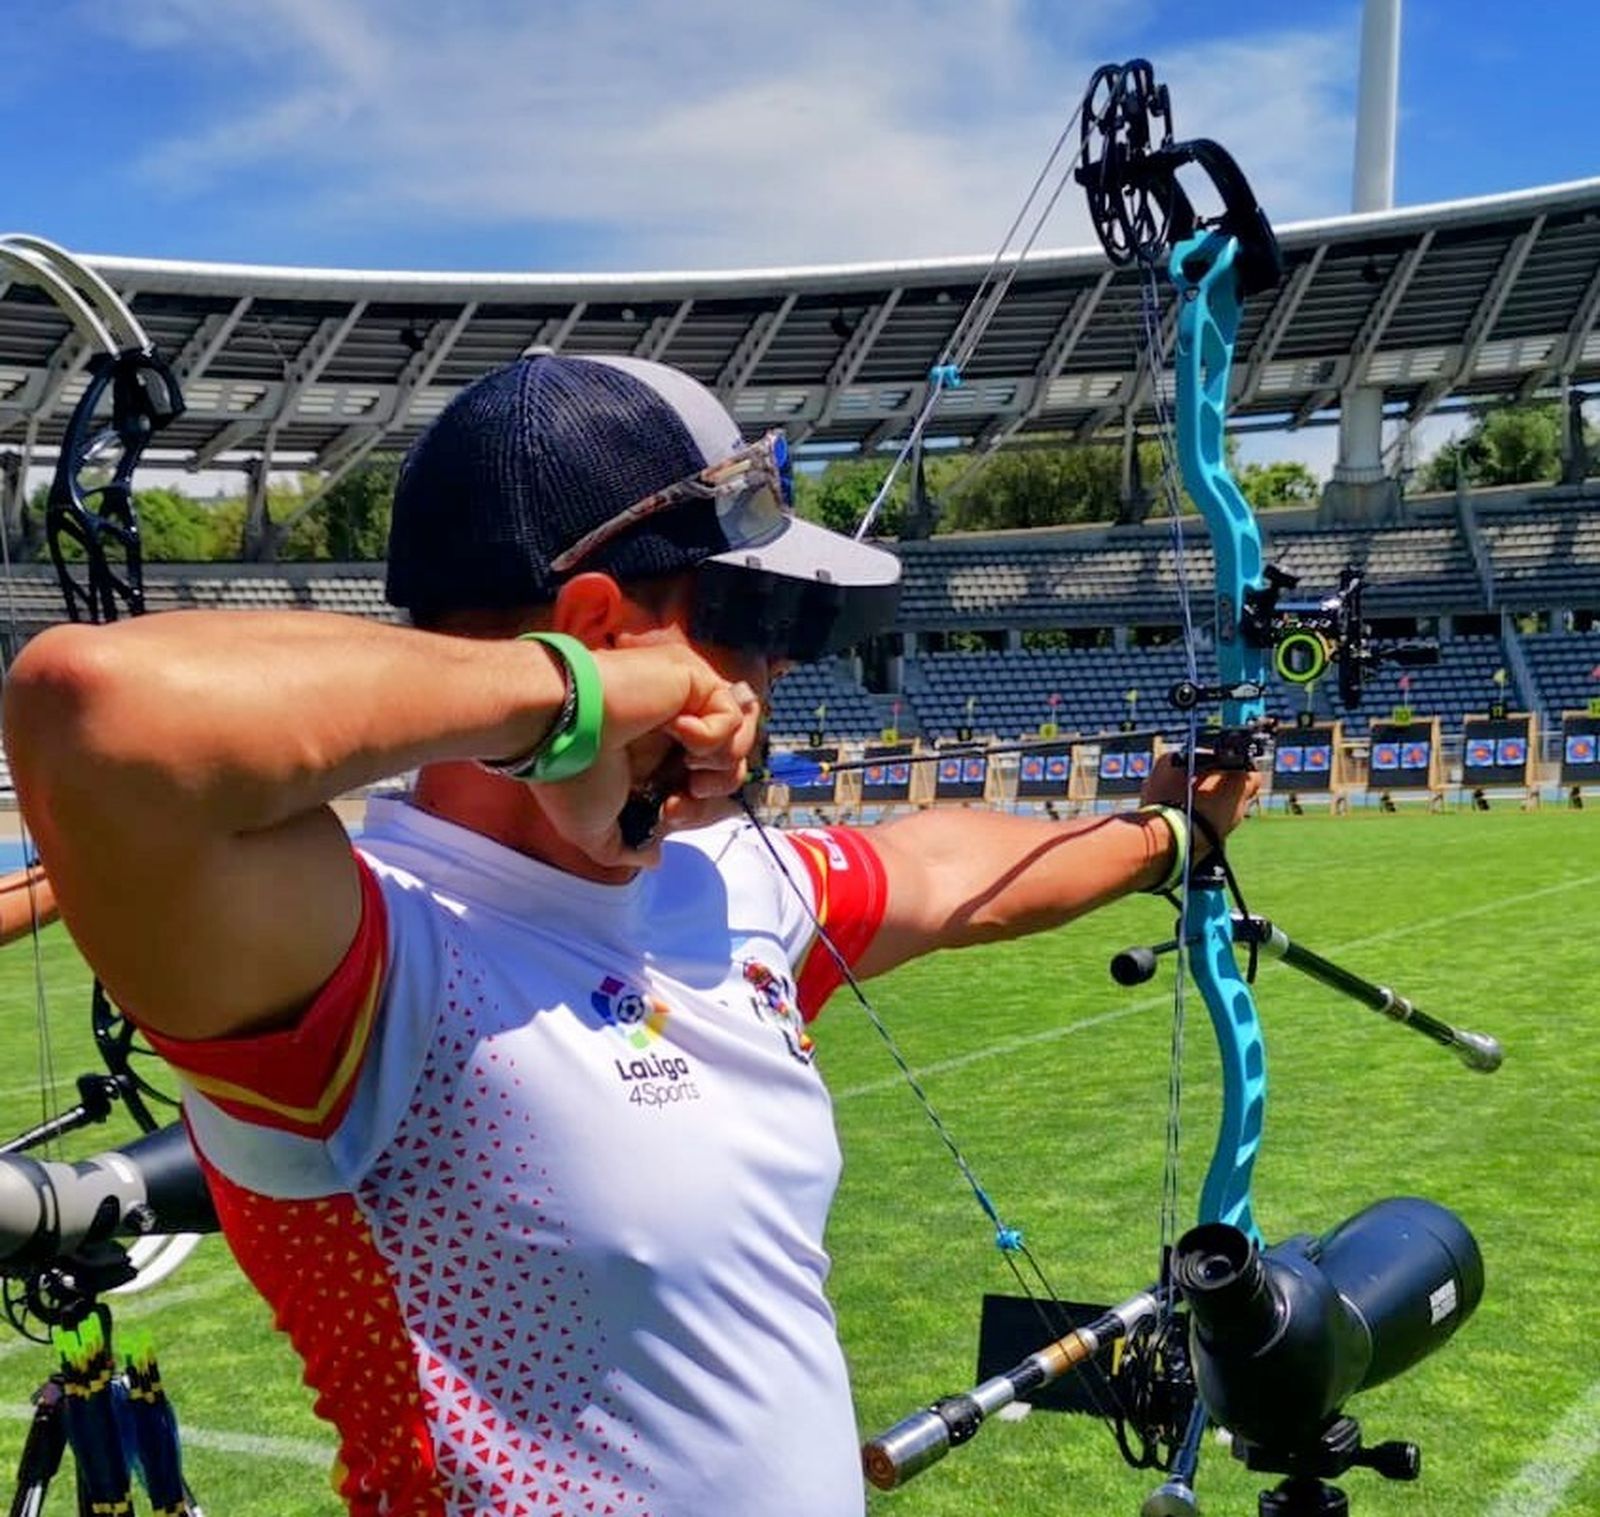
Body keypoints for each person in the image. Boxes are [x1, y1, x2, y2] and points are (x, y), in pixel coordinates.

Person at [3, 353, 1256, 1517]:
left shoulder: (720, 888)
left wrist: (1168, 838)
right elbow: (96, 711)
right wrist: (592, 697)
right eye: (751, 625)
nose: (768, 680)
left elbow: (943, 870)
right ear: (599, 628)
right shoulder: (360, 949)